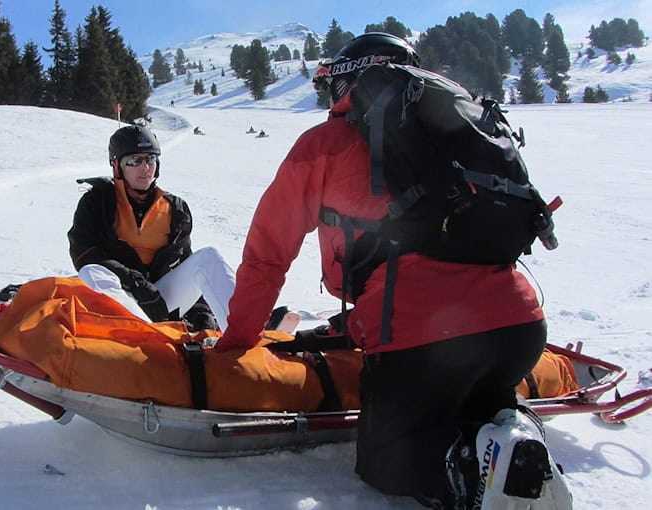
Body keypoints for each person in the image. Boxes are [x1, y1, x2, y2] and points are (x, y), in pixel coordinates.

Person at [214, 33, 571, 509]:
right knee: (469, 400)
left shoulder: (324, 144)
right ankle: (513, 434)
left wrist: (237, 343)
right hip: (519, 330)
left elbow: (267, 255)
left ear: (350, 83)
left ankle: (469, 474)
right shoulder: (455, 140)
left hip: (423, 339)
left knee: (386, 462)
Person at [68, 125, 235, 332]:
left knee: (208, 257)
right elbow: (83, 254)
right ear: (117, 166)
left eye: (150, 159)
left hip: (158, 301)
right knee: (93, 271)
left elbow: (185, 263)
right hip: (118, 296)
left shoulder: (175, 209)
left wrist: (201, 311)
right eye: (134, 161)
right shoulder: (97, 201)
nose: (145, 168)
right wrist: (136, 283)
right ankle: (145, 337)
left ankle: (242, 331)